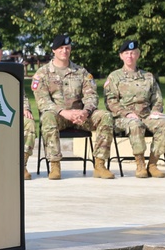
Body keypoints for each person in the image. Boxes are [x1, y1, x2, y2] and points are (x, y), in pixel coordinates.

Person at [31, 34, 114, 180]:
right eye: (61, 48)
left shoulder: (81, 72)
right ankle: (55, 165)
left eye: (67, 48)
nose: (64, 51)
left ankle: (100, 165)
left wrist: (86, 111)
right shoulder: (42, 73)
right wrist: (63, 112)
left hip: (81, 117)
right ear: (54, 50)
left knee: (105, 116)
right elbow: (43, 101)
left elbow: (92, 95)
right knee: (47, 117)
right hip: (58, 117)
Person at [104, 40, 165, 178]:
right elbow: (110, 102)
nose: (130, 56)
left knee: (164, 125)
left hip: (146, 115)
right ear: (121, 56)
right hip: (123, 118)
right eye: (126, 53)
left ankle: (152, 164)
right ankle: (140, 164)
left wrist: (156, 112)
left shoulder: (148, 77)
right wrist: (126, 113)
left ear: (138, 55)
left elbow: (157, 98)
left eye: (133, 53)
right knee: (135, 124)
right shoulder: (114, 77)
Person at [0, 39, 36, 180]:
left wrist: (25, 109)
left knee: (29, 123)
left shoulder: (8, 71)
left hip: (8, 115)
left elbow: (21, 95)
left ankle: (21, 165)